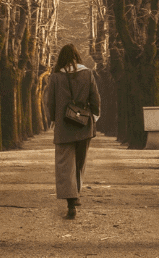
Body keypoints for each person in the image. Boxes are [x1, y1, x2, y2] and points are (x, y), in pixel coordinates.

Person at [44, 44, 100, 219]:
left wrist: (53, 119)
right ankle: (77, 192)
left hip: (63, 125)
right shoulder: (88, 73)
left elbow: (50, 102)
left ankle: (70, 200)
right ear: (77, 56)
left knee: (64, 164)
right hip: (84, 124)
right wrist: (94, 115)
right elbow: (95, 98)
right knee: (80, 162)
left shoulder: (55, 77)